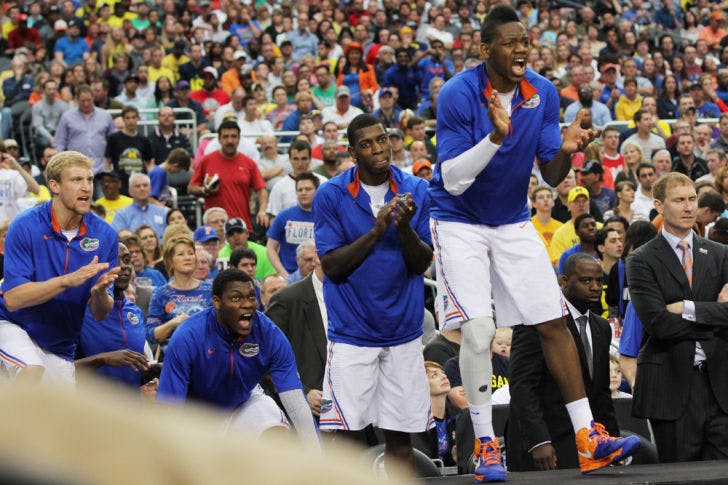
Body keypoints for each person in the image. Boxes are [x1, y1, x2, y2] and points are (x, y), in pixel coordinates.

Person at [432, 7, 638, 481]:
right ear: (485, 50)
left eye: (525, 41)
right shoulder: (459, 93)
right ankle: (485, 444)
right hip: (457, 218)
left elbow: (549, 173)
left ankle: (588, 437)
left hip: (511, 218)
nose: (521, 48)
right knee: (480, 331)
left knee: (553, 322)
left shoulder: (542, 92)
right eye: (510, 42)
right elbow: (453, 179)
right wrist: (494, 137)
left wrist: (566, 150)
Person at [314, 114, 433, 470]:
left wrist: (404, 228)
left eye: (381, 139)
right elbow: (333, 266)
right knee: (343, 436)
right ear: (352, 152)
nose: (378, 149)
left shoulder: (416, 189)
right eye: (366, 144)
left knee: (399, 437)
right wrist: (378, 230)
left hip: (403, 331)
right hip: (352, 332)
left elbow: (421, 262)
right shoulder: (331, 194)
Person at [156, 268, 320, 448]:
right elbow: (169, 409)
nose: (247, 304)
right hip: (197, 413)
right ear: (217, 302)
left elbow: (296, 403)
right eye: (236, 298)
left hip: (243, 403)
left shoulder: (269, 334)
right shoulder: (188, 336)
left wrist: (319, 460)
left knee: (275, 433)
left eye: (251, 297)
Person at [628, 172, 728, 463]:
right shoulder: (641, 259)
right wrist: (716, 316)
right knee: (679, 476)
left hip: (720, 384)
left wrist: (686, 307)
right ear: (659, 205)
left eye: (692, 199)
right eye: (679, 200)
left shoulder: (722, 254)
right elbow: (657, 323)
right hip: (670, 387)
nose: (688, 207)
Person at [0, 151, 119, 384]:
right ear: (54, 185)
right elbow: (13, 299)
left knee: (55, 417)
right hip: (12, 324)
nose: (86, 187)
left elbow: (100, 312)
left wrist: (100, 294)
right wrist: (67, 281)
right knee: (31, 370)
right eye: (76, 180)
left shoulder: (105, 235)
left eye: (89, 180)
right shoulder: (24, 226)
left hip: (61, 343)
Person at [507, 254, 621, 472]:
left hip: (585, 440)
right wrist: (538, 441)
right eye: (586, 281)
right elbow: (522, 385)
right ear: (563, 281)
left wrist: (613, 441)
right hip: (546, 440)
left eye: (599, 281)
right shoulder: (537, 321)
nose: (595, 287)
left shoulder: (601, 327)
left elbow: (600, 393)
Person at [77, 242, 151, 388]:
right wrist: (102, 359)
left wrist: (154, 370)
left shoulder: (135, 312)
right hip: (89, 407)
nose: (124, 266)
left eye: (127, 260)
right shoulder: (79, 310)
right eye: (115, 261)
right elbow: (60, 372)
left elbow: (130, 376)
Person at [265, 260, 328, 418]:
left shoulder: (356, 295)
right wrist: (302, 392)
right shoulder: (287, 300)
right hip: (313, 411)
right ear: (318, 256)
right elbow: (268, 359)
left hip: (358, 405)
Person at [188, 119, 268, 231]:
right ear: (219, 139)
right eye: (226, 137)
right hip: (215, 229)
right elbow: (191, 188)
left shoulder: (249, 163)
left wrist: (262, 210)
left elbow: (261, 189)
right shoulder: (207, 161)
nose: (230, 141)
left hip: (241, 226)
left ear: (239, 139)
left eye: (234, 136)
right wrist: (205, 190)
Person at [146, 235, 212, 349]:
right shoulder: (161, 293)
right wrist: (172, 323)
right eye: (181, 254)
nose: (187, 258)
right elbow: (150, 335)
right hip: (173, 356)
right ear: (170, 261)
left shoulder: (210, 289)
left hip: (206, 356)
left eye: (191, 253)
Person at [55, 84, 117, 179]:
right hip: (75, 168)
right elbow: (60, 142)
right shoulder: (67, 117)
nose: (86, 104)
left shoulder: (105, 116)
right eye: (82, 101)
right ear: (77, 100)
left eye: (89, 100)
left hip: (100, 169)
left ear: (93, 98)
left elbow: (114, 139)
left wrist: (110, 161)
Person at [266, 173, 318, 277]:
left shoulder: (325, 217)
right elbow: (270, 248)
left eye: (308, 189)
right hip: (289, 276)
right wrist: (283, 273)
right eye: (300, 190)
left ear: (317, 190)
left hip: (318, 275)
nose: (303, 193)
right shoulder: (284, 216)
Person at [105, 105, 153, 195]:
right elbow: (108, 162)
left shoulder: (144, 140)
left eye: (133, 117)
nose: (131, 121)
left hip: (139, 184)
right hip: (121, 183)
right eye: (127, 118)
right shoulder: (114, 139)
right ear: (123, 119)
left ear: (138, 119)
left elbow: (149, 163)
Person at [112, 173, 168, 238]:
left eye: (145, 185)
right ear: (130, 191)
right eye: (137, 186)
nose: (142, 189)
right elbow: (118, 238)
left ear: (150, 189)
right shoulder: (121, 215)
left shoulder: (163, 212)